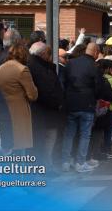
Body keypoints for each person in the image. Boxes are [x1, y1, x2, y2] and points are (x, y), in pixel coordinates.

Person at [62, 43, 112, 173]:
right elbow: (99, 87)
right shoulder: (94, 67)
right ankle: (80, 162)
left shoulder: (71, 63)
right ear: (95, 52)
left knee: (69, 134)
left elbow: (64, 82)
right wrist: (94, 98)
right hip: (87, 104)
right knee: (85, 135)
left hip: (71, 103)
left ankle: (66, 161)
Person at [27, 42, 64, 171]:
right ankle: (44, 167)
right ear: (43, 54)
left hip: (44, 112)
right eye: (49, 54)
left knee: (45, 140)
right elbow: (45, 90)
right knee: (44, 141)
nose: (50, 57)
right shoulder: (37, 68)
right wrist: (57, 102)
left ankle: (45, 166)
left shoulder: (38, 65)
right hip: (44, 112)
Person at [0, 45, 38, 153]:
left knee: (8, 147)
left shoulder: (1, 67)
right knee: (20, 147)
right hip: (20, 111)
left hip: (5, 109)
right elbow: (32, 95)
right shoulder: (22, 69)